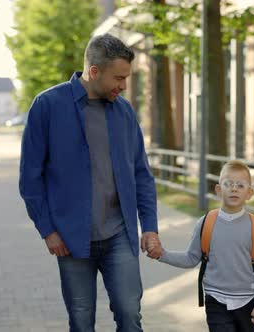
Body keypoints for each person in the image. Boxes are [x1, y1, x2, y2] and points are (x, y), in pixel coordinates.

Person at [19, 33, 162, 332]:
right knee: (82, 321)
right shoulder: (47, 106)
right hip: (70, 240)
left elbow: (141, 174)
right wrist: (47, 230)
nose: (124, 86)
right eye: (119, 78)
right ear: (94, 71)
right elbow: (30, 178)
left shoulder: (124, 112)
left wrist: (149, 226)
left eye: (126, 78)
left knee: (129, 314)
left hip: (119, 235)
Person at [147, 160, 254, 332]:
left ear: (249, 193)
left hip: (248, 301)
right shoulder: (206, 223)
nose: (234, 188)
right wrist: (162, 254)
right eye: (228, 184)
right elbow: (191, 258)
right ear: (219, 190)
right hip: (215, 299)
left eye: (240, 185)